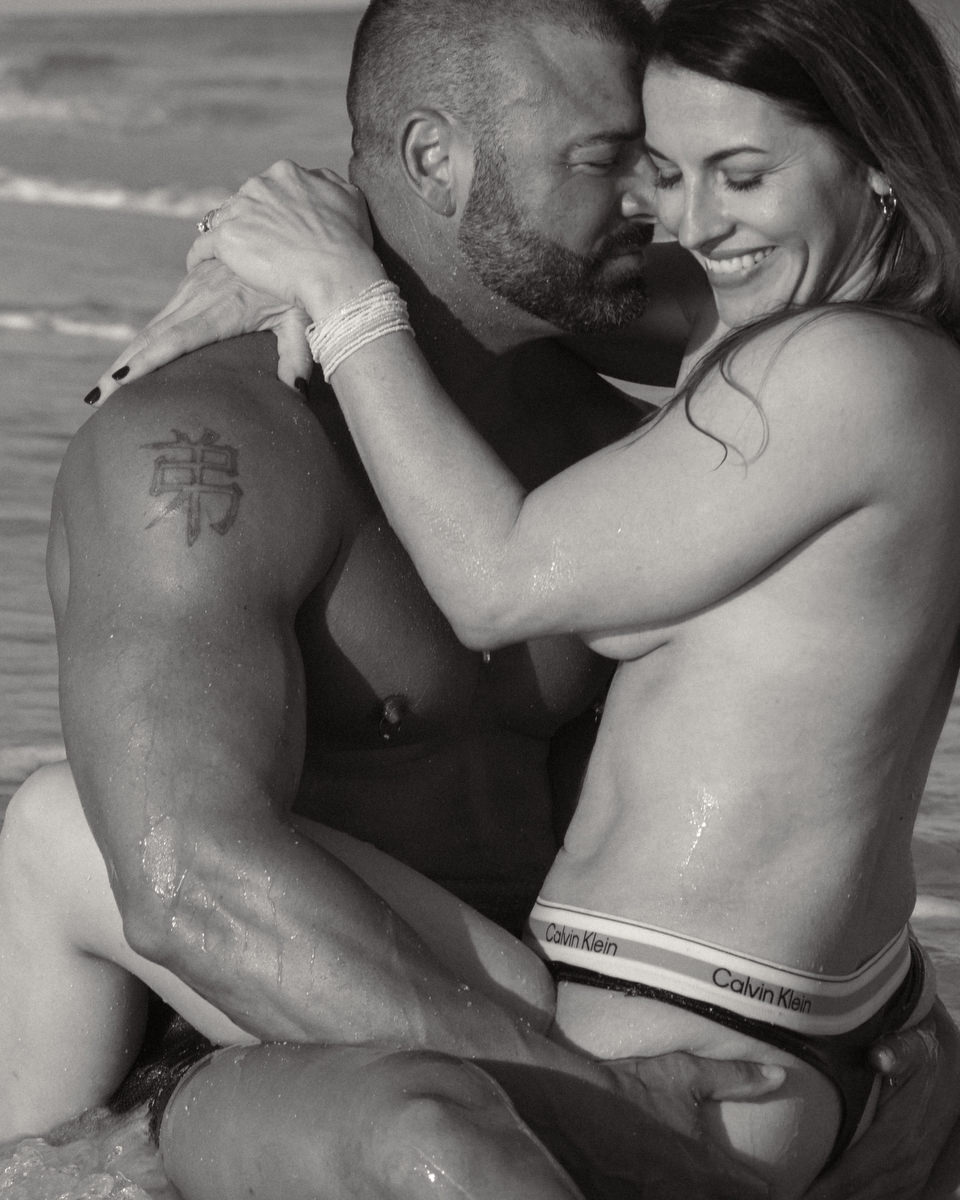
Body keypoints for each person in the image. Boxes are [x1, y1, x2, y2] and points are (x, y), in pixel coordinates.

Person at [1, 0, 957, 1196]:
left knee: (57, 824)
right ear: (434, 158)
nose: (670, 214)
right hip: (425, 1028)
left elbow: (496, 576)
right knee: (68, 828)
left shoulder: (778, 380)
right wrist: (280, 238)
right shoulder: (215, 449)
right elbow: (189, 886)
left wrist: (334, 273)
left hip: (645, 1032)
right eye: (628, 162)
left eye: (724, 172)